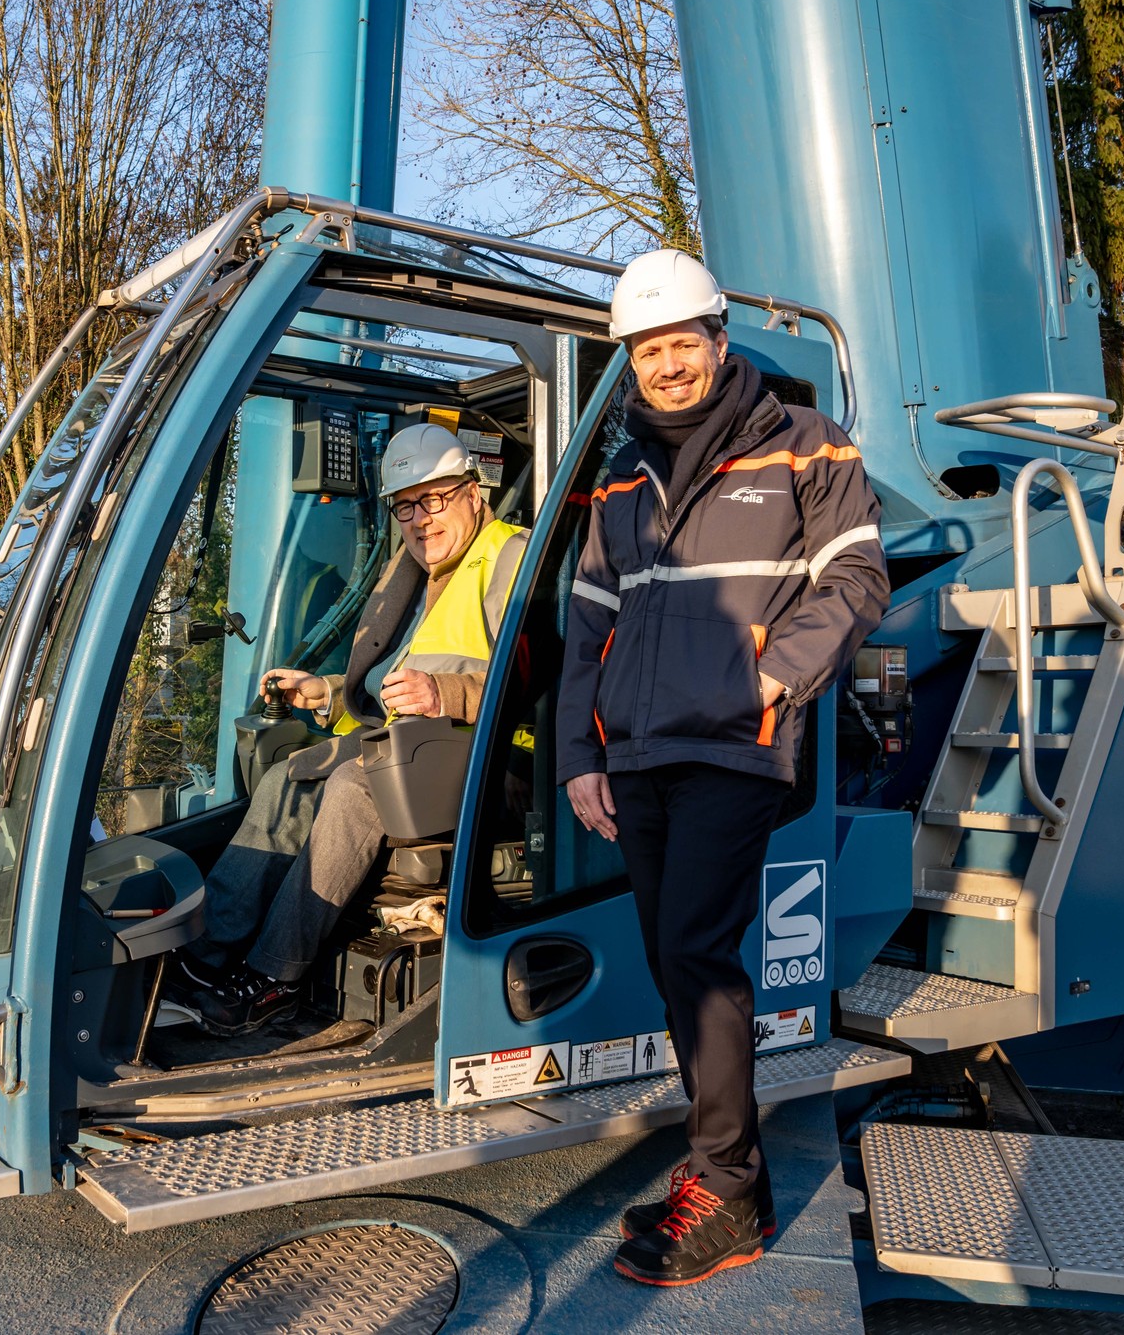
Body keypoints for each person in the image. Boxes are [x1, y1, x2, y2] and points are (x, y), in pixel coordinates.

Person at [558, 249, 887, 1286]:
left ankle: (730, 1191)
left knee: (698, 955)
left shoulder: (804, 446)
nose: (665, 366)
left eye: (679, 345)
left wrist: (771, 682)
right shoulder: (619, 475)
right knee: (671, 956)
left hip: (735, 750)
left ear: (716, 339)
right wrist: (579, 756)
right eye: (646, 351)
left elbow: (854, 576)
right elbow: (586, 627)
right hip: (640, 753)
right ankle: (716, 1167)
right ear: (630, 359)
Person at [179, 423, 528, 1034]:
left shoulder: (510, 556)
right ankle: (205, 958)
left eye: (436, 498)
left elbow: (540, 680)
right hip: (417, 753)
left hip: (494, 761)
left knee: (353, 787)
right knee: (291, 775)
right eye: (407, 506)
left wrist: (445, 693)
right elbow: (389, 697)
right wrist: (328, 694)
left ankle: (275, 977)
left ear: (474, 493)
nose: (422, 519)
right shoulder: (417, 577)